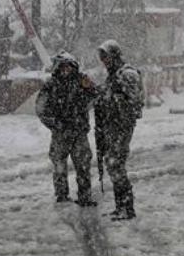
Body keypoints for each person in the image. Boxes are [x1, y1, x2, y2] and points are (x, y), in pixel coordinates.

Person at [35, 51, 98, 207]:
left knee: (83, 166)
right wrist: (56, 124)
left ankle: (85, 196)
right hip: (60, 134)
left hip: (79, 133)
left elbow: (96, 98)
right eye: (62, 66)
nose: (65, 70)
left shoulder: (81, 81)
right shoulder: (51, 84)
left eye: (68, 66)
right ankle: (62, 196)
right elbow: (40, 109)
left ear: (73, 66)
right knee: (59, 167)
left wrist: (90, 88)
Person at [94, 40, 144, 221]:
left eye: (106, 56)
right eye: (102, 58)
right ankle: (120, 206)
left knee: (116, 164)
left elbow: (132, 103)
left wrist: (109, 98)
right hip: (112, 127)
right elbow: (108, 97)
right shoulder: (114, 75)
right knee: (112, 164)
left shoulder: (127, 74)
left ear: (114, 55)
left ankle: (127, 208)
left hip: (122, 127)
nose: (104, 61)